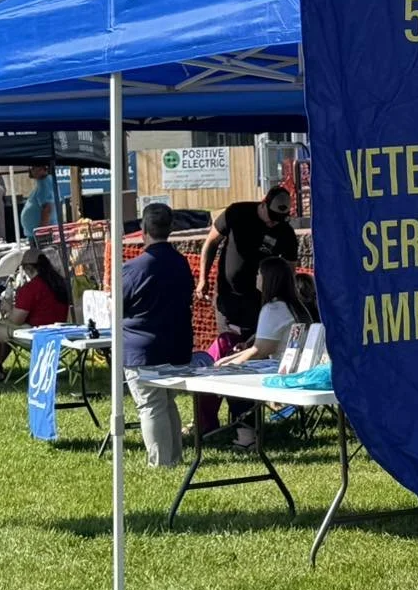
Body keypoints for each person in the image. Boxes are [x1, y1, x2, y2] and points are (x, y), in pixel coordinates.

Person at [118, 202, 195, 467]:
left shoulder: (133, 268)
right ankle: (174, 457)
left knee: (150, 405)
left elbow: (117, 306)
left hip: (143, 350)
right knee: (167, 402)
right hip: (177, 346)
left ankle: (161, 463)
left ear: (143, 231)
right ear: (170, 228)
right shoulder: (182, 263)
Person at [206, 257, 299, 447]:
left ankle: (247, 436)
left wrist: (227, 362)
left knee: (233, 376)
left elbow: (260, 351)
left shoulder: (273, 308)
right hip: (296, 366)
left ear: (268, 279)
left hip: (282, 370)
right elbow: (262, 344)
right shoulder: (294, 305)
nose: (256, 277)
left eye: (259, 274)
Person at [197, 186, 298, 345]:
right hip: (228, 293)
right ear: (263, 204)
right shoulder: (237, 212)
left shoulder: (285, 232)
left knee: (252, 345)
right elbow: (211, 242)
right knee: (228, 343)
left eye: (278, 219)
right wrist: (203, 278)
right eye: (271, 217)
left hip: (260, 300)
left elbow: (290, 269)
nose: (273, 223)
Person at [0, 250, 74, 385]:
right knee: (3, 326)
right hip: (59, 333)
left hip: (37, 335)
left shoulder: (31, 288)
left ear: (27, 268)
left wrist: (8, 308)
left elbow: (16, 320)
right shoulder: (60, 284)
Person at [19, 162, 63, 243]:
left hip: (44, 236)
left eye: (33, 167)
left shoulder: (45, 183)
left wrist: (42, 232)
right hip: (41, 234)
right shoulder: (45, 182)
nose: (30, 170)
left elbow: (47, 209)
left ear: (42, 168)